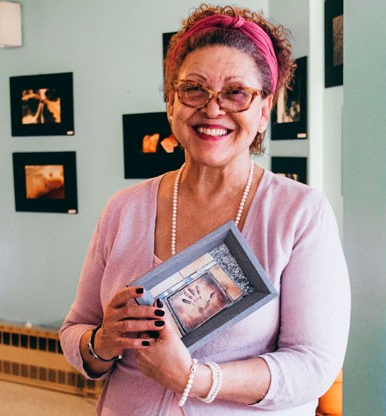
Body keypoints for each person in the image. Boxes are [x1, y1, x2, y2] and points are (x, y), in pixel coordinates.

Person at [60, 4, 350, 415]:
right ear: (171, 105)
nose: (213, 109)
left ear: (264, 110)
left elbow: (314, 366)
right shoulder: (123, 209)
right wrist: (101, 342)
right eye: (194, 89)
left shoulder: (299, 214)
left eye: (236, 92)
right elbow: (75, 330)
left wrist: (194, 379)